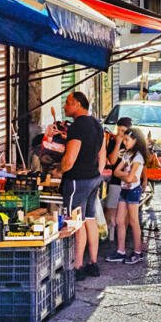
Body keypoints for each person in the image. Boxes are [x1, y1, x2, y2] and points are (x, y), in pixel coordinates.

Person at [59, 90, 106, 279]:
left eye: (68, 103)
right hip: (94, 178)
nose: (65, 106)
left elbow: (69, 159)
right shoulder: (97, 124)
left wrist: (57, 170)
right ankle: (92, 263)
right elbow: (102, 155)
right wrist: (96, 173)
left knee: (74, 221)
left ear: (78, 104)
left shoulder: (77, 126)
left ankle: (77, 266)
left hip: (78, 180)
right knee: (89, 219)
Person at [112, 122, 148, 264]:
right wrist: (125, 175)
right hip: (124, 190)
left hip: (133, 190)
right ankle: (121, 251)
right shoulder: (127, 154)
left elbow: (128, 176)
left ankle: (138, 251)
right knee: (120, 220)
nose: (124, 142)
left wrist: (124, 175)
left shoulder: (138, 158)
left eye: (127, 140)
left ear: (135, 141)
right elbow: (118, 172)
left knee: (133, 221)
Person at [103, 119, 127, 259]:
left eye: (123, 131)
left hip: (128, 182)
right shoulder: (113, 141)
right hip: (115, 181)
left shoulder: (132, 141)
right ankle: (112, 235)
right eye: (119, 130)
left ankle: (121, 239)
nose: (121, 134)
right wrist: (118, 143)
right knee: (111, 208)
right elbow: (111, 161)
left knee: (125, 214)